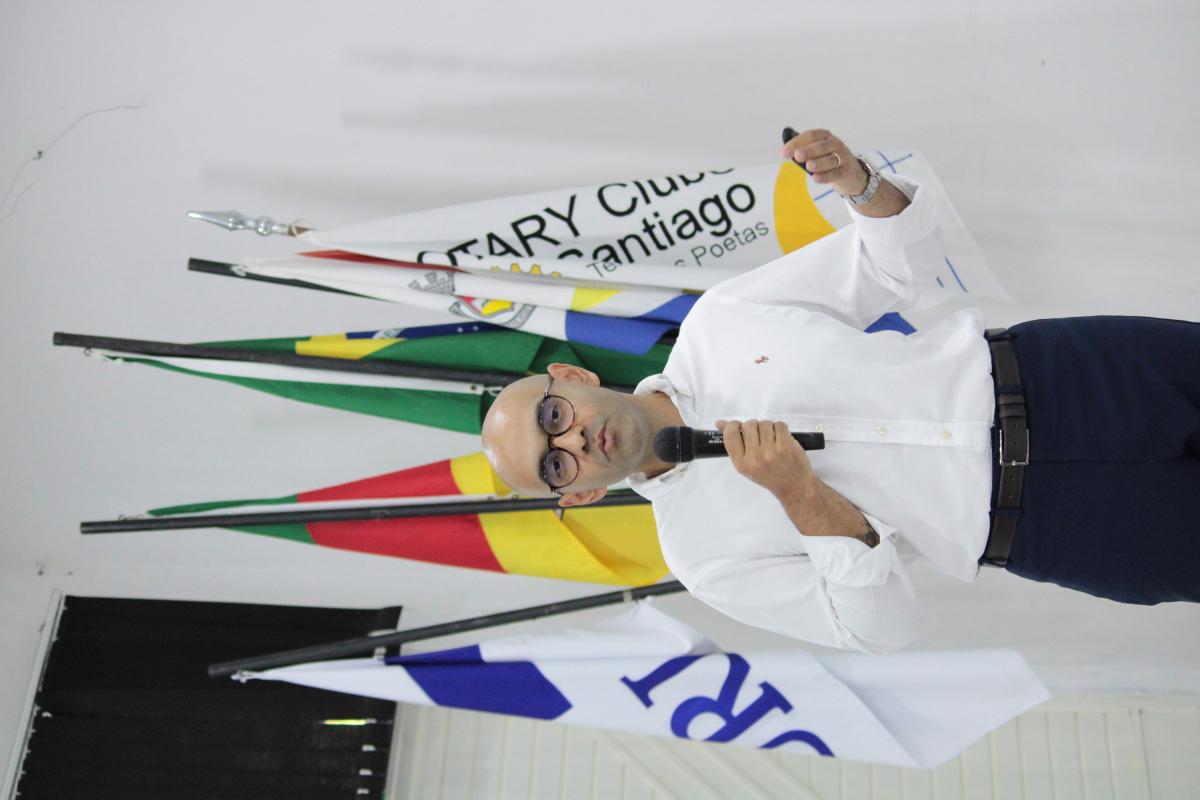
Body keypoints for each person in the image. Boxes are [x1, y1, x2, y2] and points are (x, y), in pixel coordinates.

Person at [481, 128, 1200, 653]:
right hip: (1063, 524)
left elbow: (895, 267)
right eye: (556, 463)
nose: (574, 439)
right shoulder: (703, 558)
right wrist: (801, 497)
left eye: (554, 415)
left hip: (1068, 374)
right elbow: (881, 630)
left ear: (572, 378)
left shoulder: (721, 320)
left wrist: (861, 186)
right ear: (579, 496)